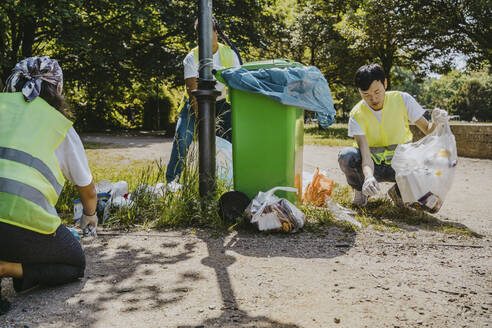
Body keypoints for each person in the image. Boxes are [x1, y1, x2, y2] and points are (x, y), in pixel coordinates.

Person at [0, 56, 98, 310]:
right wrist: (89, 216)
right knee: (75, 263)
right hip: (22, 225)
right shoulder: (58, 126)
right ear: (58, 89)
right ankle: (7, 268)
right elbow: (87, 191)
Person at [338, 63, 448, 206]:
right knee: (347, 156)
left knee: (428, 163)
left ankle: (398, 193)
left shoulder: (402, 100)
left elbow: (428, 129)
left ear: (385, 83)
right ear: (359, 91)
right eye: (366, 95)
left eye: (377, 92)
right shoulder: (357, 114)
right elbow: (365, 156)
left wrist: (437, 122)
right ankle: (361, 190)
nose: (373, 99)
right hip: (373, 167)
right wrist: (369, 177)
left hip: (400, 167)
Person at [165, 17, 241, 183]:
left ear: (216, 32)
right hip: (195, 104)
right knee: (183, 138)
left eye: (209, 32)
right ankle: (171, 182)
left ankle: (228, 182)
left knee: (231, 141)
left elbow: (238, 84)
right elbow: (192, 91)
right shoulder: (192, 57)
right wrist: (205, 122)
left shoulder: (230, 55)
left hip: (221, 103)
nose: (205, 37)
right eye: (201, 34)